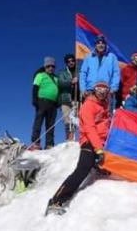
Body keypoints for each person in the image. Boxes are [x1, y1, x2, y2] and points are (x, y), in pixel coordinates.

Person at [45, 81, 111, 215]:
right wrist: (98, 149)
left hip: (102, 143)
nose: (102, 92)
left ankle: (97, 166)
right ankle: (56, 201)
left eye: (105, 90)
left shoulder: (105, 106)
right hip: (90, 142)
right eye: (99, 89)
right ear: (94, 91)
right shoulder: (88, 106)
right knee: (81, 170)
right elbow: (89, 129)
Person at [30, 56, 59, 150]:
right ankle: (35, 142)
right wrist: (35, 100)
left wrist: (58, 101)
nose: (50, 68)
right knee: (38, 122)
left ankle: (49, 144)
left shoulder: (56, 78)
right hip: (42, 101)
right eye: (48, 66)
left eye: (52, 66)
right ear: (45, 67)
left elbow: (58, 89)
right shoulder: (40, 75)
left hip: (53, 103)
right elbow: (35, 88)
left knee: (51, 124)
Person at [79, 34, 120, 100]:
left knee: (104, 110)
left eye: (102, 43)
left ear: (105, 45)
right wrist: (83, 88)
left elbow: (116, 73)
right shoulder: (88, 57)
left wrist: (114, 88)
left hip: (105, 91)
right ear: (95, 45)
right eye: (98, 43)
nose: (100, 45)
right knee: (89, 110)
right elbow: (83, 73)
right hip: (90, 90)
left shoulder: (112, 57)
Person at [58, 54, 80, 141]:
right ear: (66, 63)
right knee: (67, 120)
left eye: (72, 61)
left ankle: (80, 138)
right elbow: (60, 83)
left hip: (78, 99)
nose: (71, 62)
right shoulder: (62, 72)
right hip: (66, 99)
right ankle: (69, 138)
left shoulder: (80, 72)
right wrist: (70, 81)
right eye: (68, 61)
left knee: (78, 119)